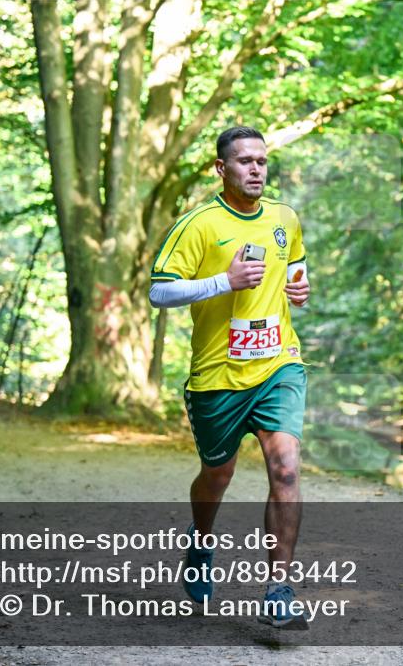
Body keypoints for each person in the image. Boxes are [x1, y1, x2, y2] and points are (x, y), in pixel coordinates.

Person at [149, 126, 311, 629]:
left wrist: (300, 290)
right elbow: (159, 292)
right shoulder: (198, 225)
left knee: (285, 468)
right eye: (244, 161)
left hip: (278, 363)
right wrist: (225, 281)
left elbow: (296, 272)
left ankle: (279, 590)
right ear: (222, 169)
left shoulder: (284, 218)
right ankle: (200, 544)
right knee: (217, 476)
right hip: (217, 375)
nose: (256, 169)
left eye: (262, 160)